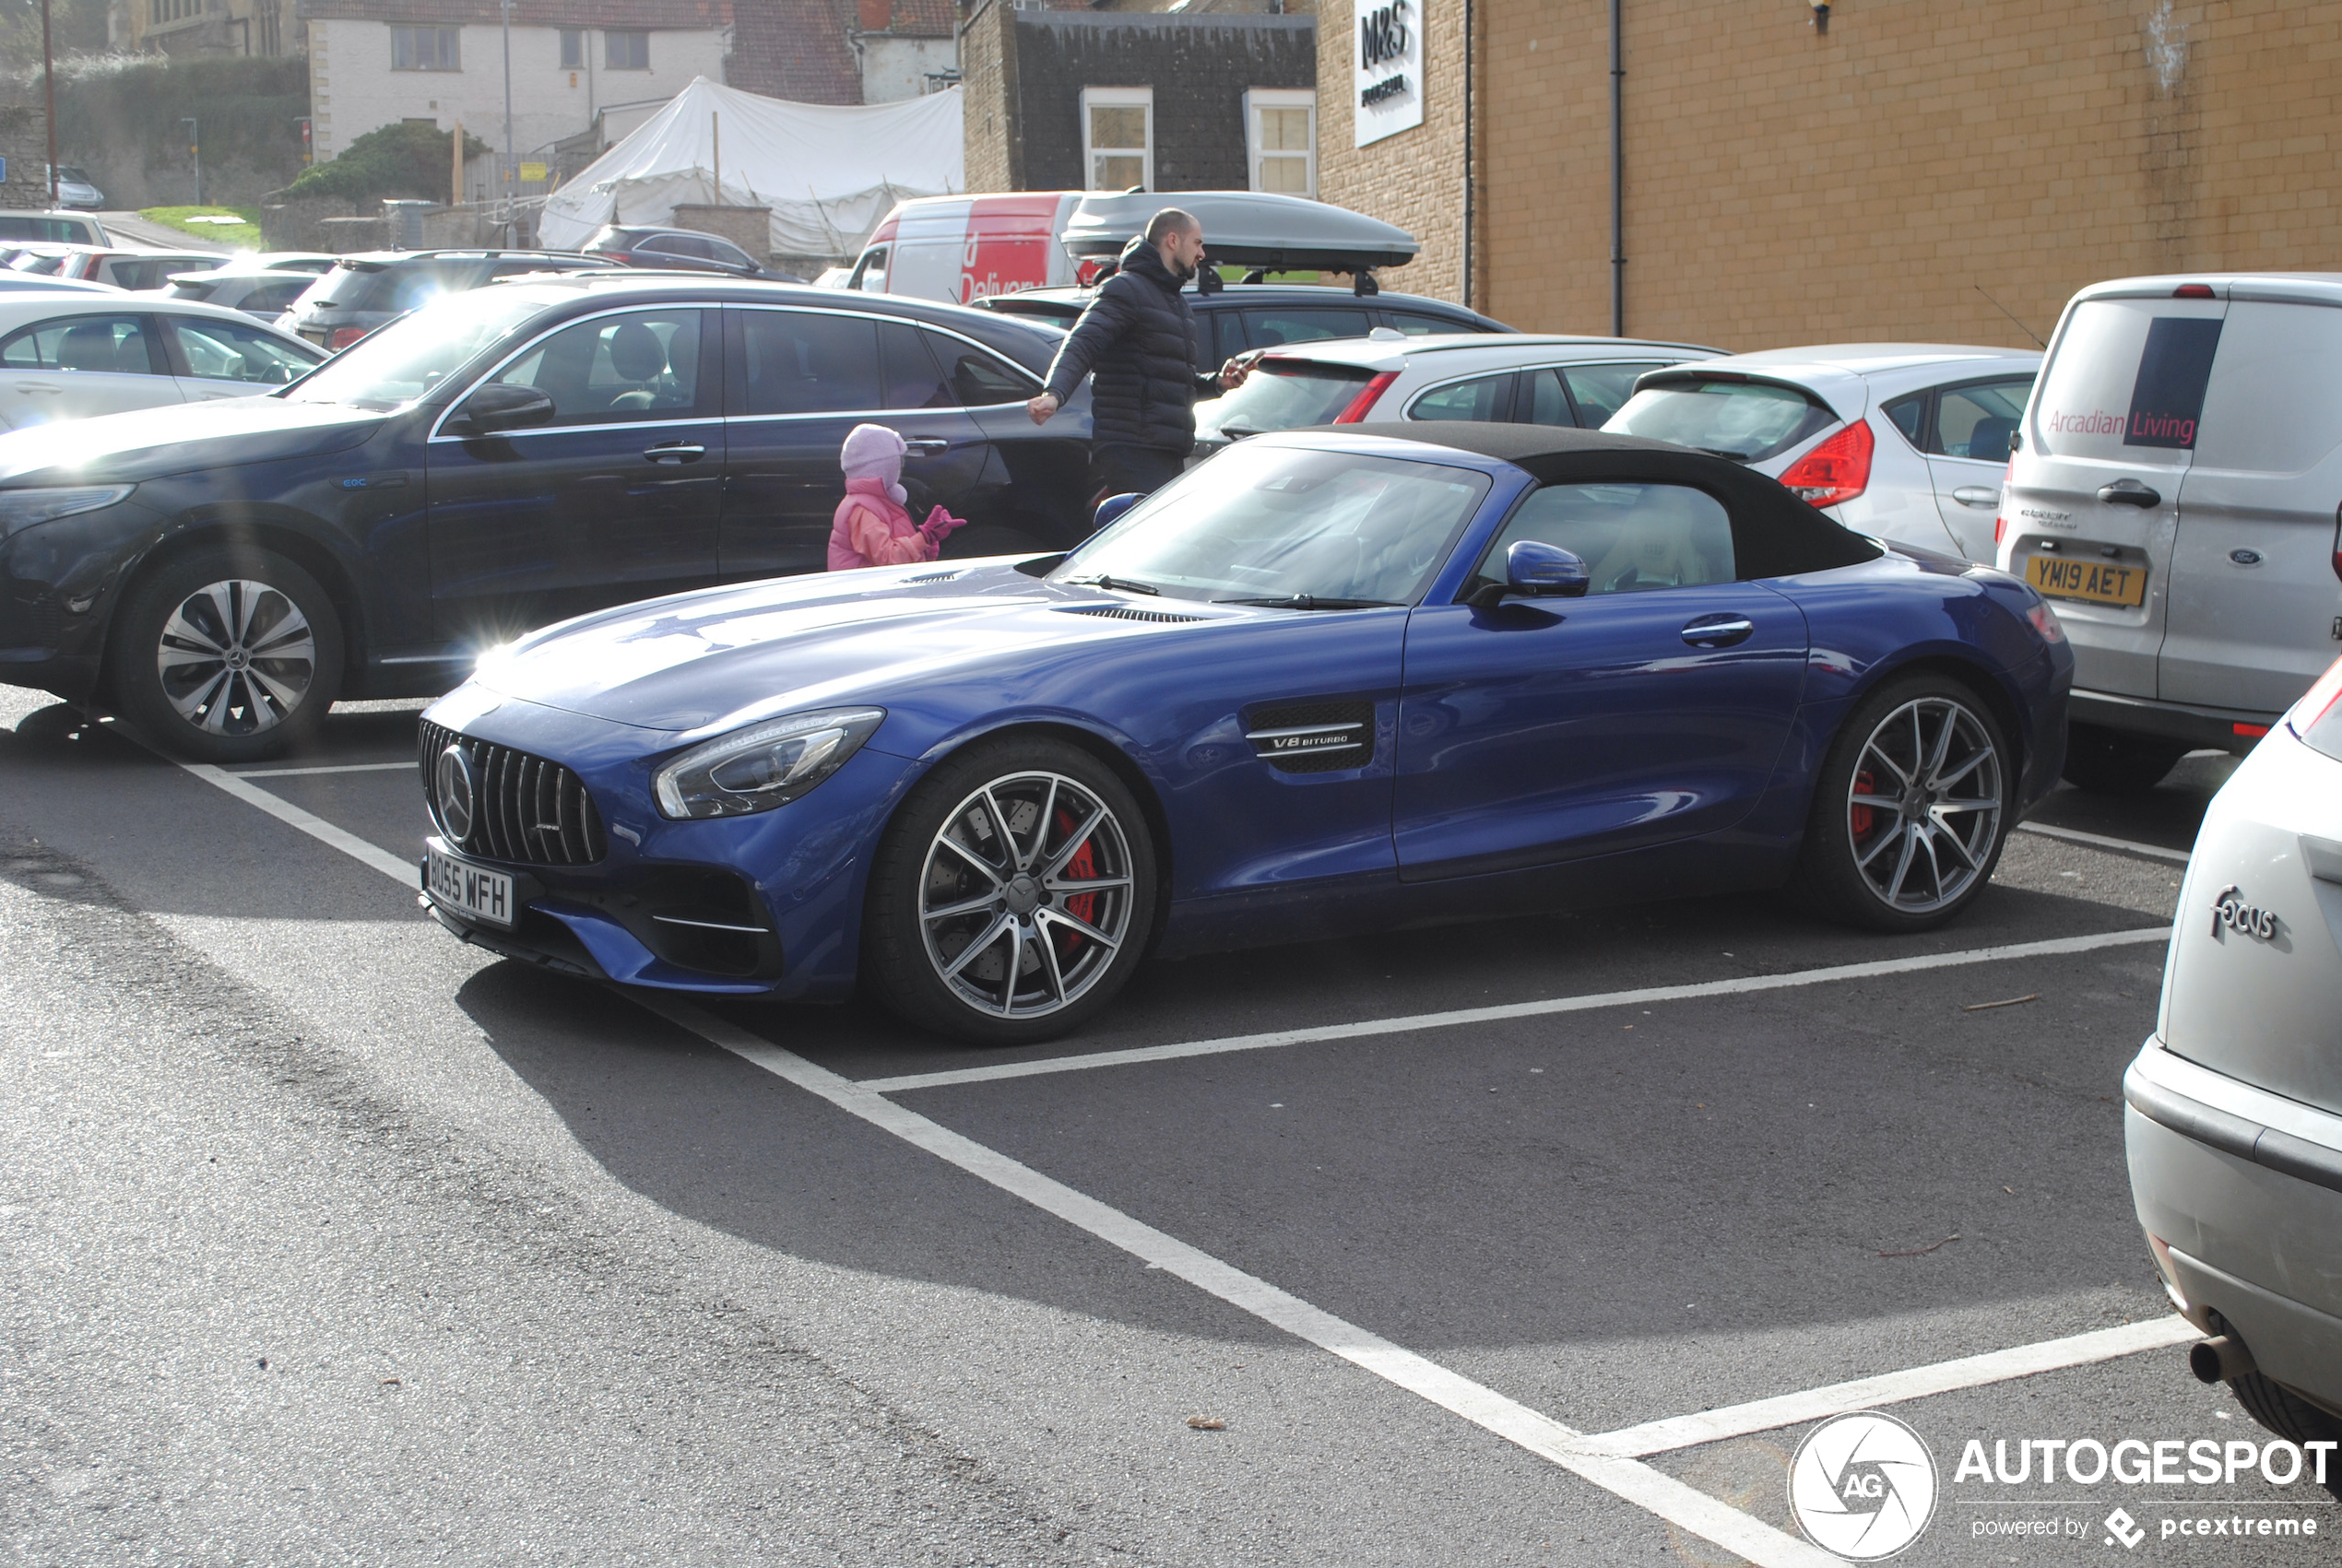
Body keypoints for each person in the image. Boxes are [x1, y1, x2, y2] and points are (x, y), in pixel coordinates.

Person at [1025, 206, 1249, 499]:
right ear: (1173, 240)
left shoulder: (1174, 301)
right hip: (1134, 450)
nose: (1202, 253)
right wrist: (1054, 394)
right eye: (1197, 243)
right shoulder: (1125, 290)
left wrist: (1217, 382)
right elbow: (1083, 342)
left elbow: (1169, 380)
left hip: (1165, 452)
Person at [828, 422, 967, 571]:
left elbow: (892, 542)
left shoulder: (876, 501)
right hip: (866, 589)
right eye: (897, 462)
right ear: (882, 466)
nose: (900, 468)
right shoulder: (863, 509)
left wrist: (928, 539)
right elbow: (888, 559)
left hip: (875, 587)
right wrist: (926, 536)